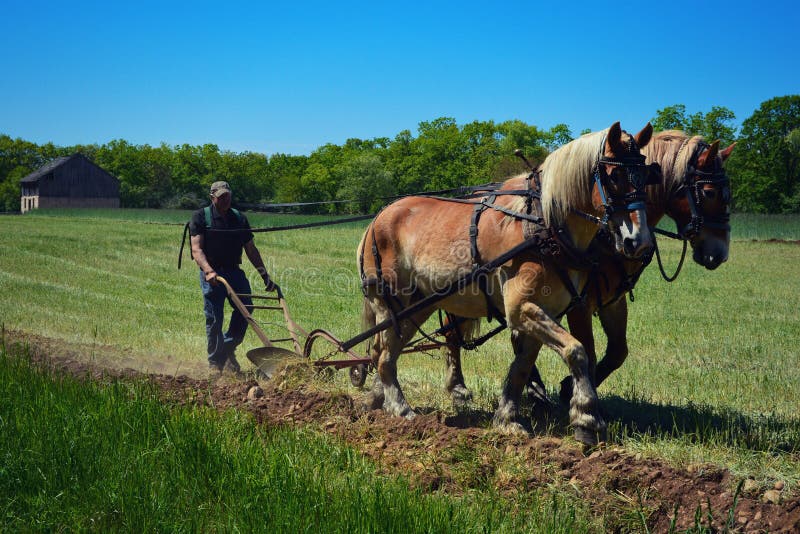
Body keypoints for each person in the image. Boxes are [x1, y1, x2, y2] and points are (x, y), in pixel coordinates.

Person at [189, 181, 276, 374]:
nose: (226, 200)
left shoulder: (239, 218)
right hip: (213, 274)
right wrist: (208, 270)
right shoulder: (201, 217)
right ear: (212, 198)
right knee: (214, 318)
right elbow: (196, 249)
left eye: (228, 195)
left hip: (234, 272)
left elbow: (251, 250)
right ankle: (215, 364)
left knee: (246, 310)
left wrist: (265, 277)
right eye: (221, 197)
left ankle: (225, 350)